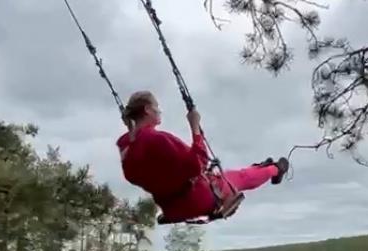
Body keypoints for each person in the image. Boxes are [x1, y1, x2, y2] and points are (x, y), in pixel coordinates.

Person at [115, 91, 289, 223]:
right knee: (239, 178)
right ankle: (275, 170)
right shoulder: (156, 139)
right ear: (147, 109)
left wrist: (132, 129)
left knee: (230, 175)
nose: (159, 111)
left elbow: (138, 172)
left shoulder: (126, 147)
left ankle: (261, 167)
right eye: (156, 107)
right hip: (196, 199)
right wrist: (195, 128)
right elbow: (198, 163)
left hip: (171, 208)